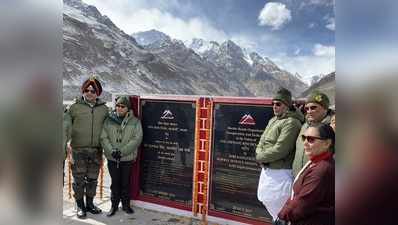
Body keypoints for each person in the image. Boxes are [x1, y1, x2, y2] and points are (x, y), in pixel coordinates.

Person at [256, 88, 303, 221]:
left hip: (280, 173)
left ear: (287, 105)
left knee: (280, 209)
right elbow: (262, 141)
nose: (274, 107)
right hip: (267, 170)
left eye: (278, 104)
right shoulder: (273, 120)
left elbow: (281, 149)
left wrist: (260, 157)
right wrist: (259, 153)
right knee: (266, 200)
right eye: (273, 104)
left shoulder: (292, 123)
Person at [65, 76, 109, 219]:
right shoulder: (74, 107)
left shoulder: (104, 109)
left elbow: (108, 129)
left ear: (98, 93)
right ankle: (80, 205)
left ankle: (89, 204)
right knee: (79, 180)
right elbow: (65, 126)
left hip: (96, 150)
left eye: (93, 90)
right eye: (87, 90)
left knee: (92, 179)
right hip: (78, 149)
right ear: (83, 91)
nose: (89, 93)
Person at [275, 124, 335, 225]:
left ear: (327, 143)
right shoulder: (316, 162)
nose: (305, 143)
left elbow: (303, 204)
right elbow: (296, 196)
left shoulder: (322, 170)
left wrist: (282, 217)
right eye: (304, 138)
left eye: (311, 139)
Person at [100, 96, 143, 217]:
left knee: (125, 182)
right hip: (112, 158)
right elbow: (103, 137)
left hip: (126, 158)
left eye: (122, 106)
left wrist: (122, 151)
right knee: (115, 183)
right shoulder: (109, 120)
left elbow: (137, 139)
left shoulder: (135, 122)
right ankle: (114, 205)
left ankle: (125, 205)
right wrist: (111, 150)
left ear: (127, 108)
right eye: (117, 105)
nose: (119, 108)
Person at [292, 90, 333, 178]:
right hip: (298, 177)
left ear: (325, 108)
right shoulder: (305, 126)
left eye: (313, 107)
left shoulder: (332, 127)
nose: (309, 111)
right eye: (307, 108)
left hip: (319, 178)